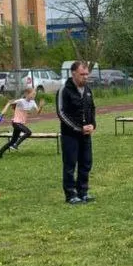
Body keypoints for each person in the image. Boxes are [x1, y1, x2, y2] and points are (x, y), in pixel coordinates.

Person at [57, 61, 97, 205]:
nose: (85, 77)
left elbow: (92, 108)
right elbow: (61, 113)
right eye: (82, 74)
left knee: (86, 163)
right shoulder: (64, 90)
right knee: (70, 165)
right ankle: (71, 194)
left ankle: (83, 192)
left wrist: (93, 124)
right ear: (73, 73)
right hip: (70, 135)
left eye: (87, 74)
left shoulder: (87, 89)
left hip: (86, 135)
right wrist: (78, 128)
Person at [0, 87, 41, 158]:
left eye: (35, 94)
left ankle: (0, 152)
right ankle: (16, 145)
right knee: (28, 132)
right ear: (27, 94)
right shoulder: (21, 101)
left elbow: (38, 112)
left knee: (12, 141)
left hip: (20, 123)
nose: (34, 96)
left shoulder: (33, 102)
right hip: (16, 123)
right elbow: (9, 102)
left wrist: (41, 107)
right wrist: (2, 114)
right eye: (33, 94)